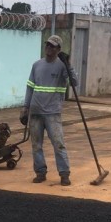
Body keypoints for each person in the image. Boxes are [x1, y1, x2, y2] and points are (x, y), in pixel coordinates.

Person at [20, 35, 78, 186]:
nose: (49, 48)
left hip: (52, 113)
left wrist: (68, 64)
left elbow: (75, 82)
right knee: (36, 145)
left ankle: (64, 174)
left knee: (58, 144)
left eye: (52, 46)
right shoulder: (36, 65)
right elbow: (30, 87)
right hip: (35, 112)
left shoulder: (62, 66)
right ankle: (40, 172)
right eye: (47, 45)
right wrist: (25, 108)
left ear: (58, 49)